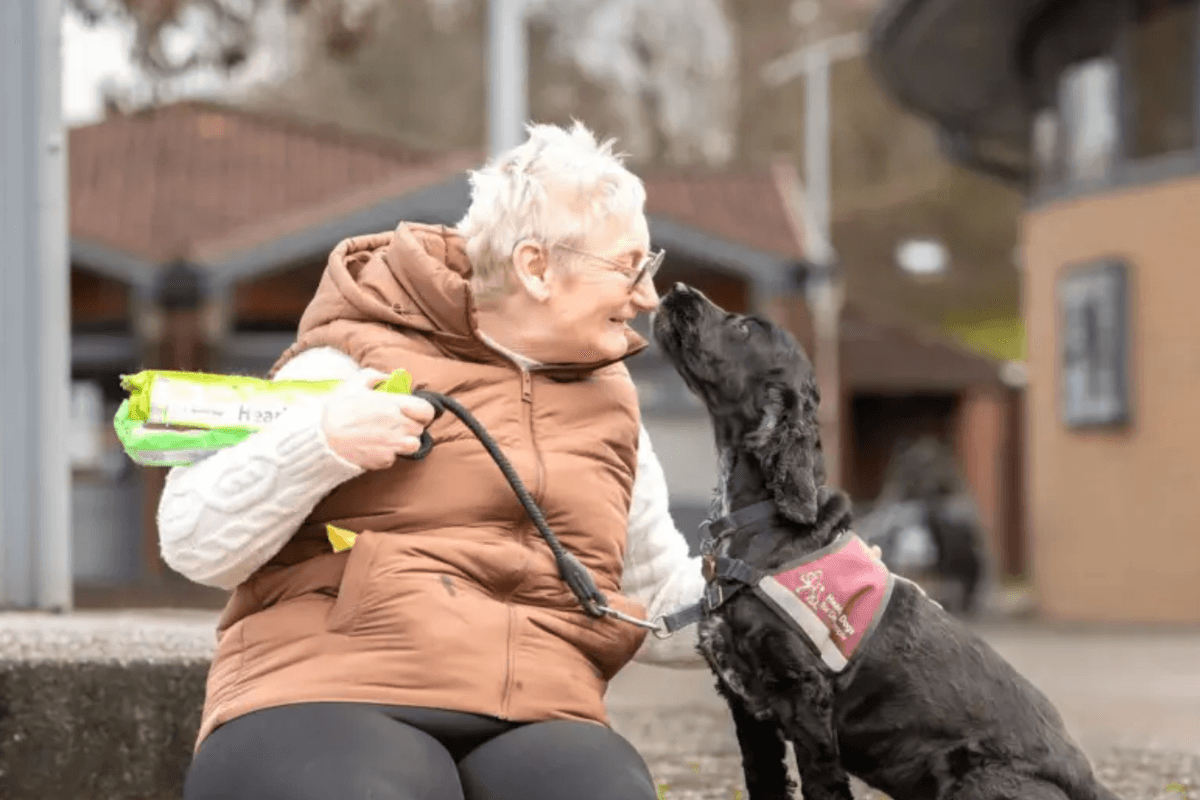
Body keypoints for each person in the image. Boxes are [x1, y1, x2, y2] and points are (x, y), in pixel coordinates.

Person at [159, 121, 709, 800]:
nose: (648, 297)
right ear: (536, 267)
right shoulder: (346, 357)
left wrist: (780, 591)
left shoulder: (613, 405)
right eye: (630, 267)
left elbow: (652, 604)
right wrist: (322, 441)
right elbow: (190, 537)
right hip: (331, 686)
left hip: (538, 705)